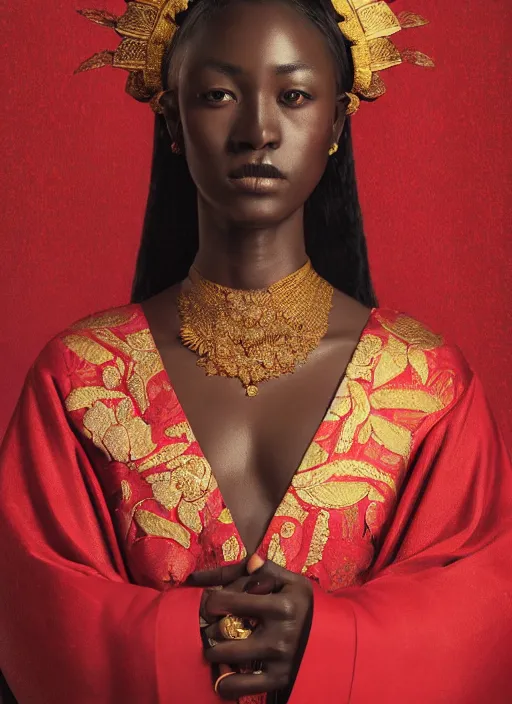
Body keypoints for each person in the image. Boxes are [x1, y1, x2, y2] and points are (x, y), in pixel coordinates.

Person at [0, 0, 510, 702]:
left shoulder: (426, 384)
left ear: (335, 120)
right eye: (218, 96)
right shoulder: (80, 376)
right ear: (174, 119)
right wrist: (197, 636)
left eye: (294, 95)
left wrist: (329, 641)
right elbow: (34, 612)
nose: (258, 131)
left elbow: (480, 618)